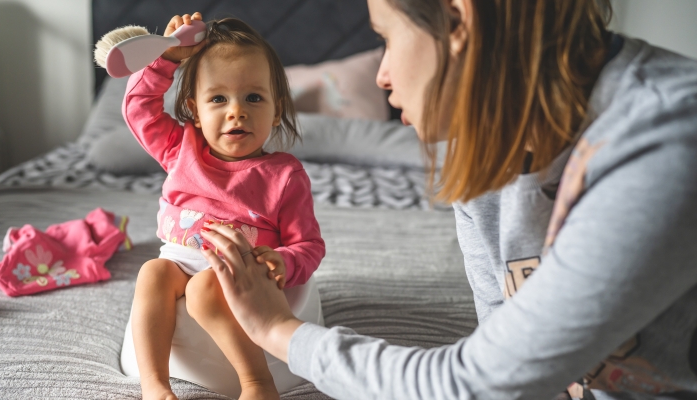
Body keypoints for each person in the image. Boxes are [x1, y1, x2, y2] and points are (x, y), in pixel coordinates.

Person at [197, 0, 697, 399]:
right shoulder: (486, 148)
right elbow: (502, 352)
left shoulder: (666, 146)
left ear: (457, 18)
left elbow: (473, 383)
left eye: (387, 39)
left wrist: (275, 327)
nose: (382, 75)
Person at [123, 13, 325, 400]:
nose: (237, 111)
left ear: (277, 108)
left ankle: (257, 382)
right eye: (218, 98)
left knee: (202, 290)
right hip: (178, 261)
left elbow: (309, 246)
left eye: (253, 97)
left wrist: (283, 261)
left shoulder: (283, 175)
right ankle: (155, 386)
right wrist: (165, 58)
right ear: (194, 109)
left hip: (239, 273)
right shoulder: (180, 148)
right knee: (151, 273)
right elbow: (138, 109)